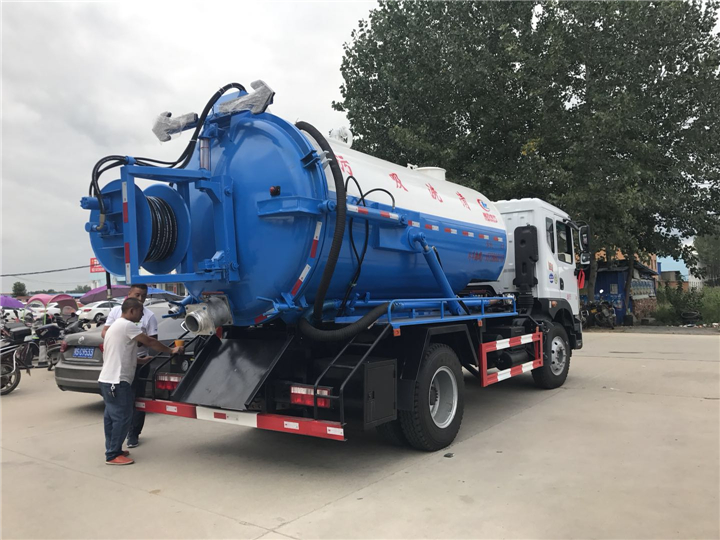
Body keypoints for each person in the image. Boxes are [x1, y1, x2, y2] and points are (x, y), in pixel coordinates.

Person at [99, 298, 183, 465]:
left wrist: (139, 361)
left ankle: (113, 449)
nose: (142, 315)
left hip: (107, 379)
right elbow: (150, 341)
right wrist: (171, 350)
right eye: (140, 312)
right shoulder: (127, 325)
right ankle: (113, 454)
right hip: (118, 381)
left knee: (111, 418)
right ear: (131, 311)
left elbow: (117, 353)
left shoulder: (114, 327)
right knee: (122, 418)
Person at [102, 284, 158, 448]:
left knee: (136, 400)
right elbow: (105, 332)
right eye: (137, 294)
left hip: (138, 362)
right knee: (120, 411)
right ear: (129, 294)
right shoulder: (119, 317)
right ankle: (113, 449)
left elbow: (152, 340)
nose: (141, 298)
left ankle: (132, 434)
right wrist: (131, 339)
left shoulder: (148, 315)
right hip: (119, 367)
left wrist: (137, 343)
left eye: (144, 296)